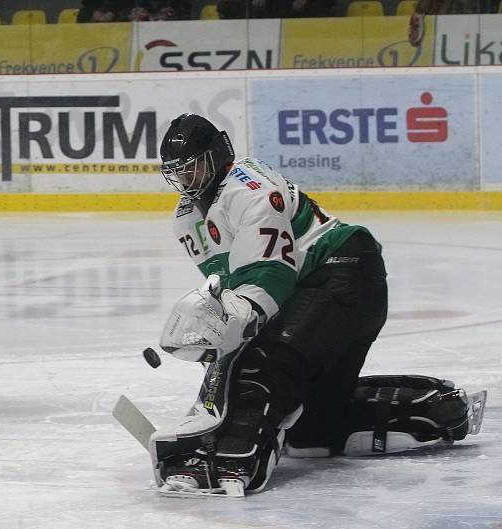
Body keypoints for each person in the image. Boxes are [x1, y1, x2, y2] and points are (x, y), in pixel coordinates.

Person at [149, 113, 486, 497]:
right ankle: (433, 408)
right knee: (310, 432)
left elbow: (268, 276)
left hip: (342, 274)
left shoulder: (249, 188)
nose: (185, 180)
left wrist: (233, 336)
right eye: (178, 172)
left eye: (192, 168)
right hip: (320, 285)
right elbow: (231, 285)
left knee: (268, 363)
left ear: (216, 156)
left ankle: (233, 462)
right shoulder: (187, 217)